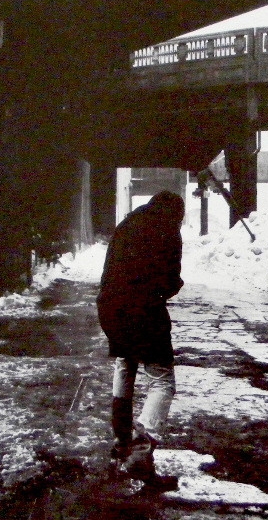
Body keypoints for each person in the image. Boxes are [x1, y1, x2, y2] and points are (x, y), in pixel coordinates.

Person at [97, 191, 185, 490]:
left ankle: (122, 441)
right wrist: (173, 286)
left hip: (110, 308)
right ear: (175, 213)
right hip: (142, 310)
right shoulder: (167, 230)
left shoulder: (127, 224)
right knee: (162, 380)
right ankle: (140, 451)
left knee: (126, 362)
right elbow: (168, 281)